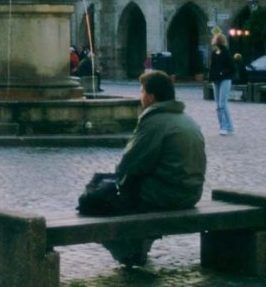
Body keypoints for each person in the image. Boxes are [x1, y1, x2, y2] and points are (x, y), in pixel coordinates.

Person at [78, 70, 206, 266]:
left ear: (151, 97)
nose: (140, 97)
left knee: (92, 200)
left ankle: (127, 248)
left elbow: (130, 165)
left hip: (165, 196)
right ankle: (136, 242)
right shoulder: (186, 119)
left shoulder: (154, 120)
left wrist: (116, 183)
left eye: (141, 92)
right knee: (105, 183)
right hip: (190, 193)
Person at [208, 33, 234, 135]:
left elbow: (231, 67)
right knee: (218, 105)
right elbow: (212, 67)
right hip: (216, 80)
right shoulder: (214, 53)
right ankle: (229, 126)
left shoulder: (226, 52)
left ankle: (224, 127)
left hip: (225, 79)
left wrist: (222, 72)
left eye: (217, 39)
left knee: (222, 104)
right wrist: (211, 77)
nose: (215, 41)